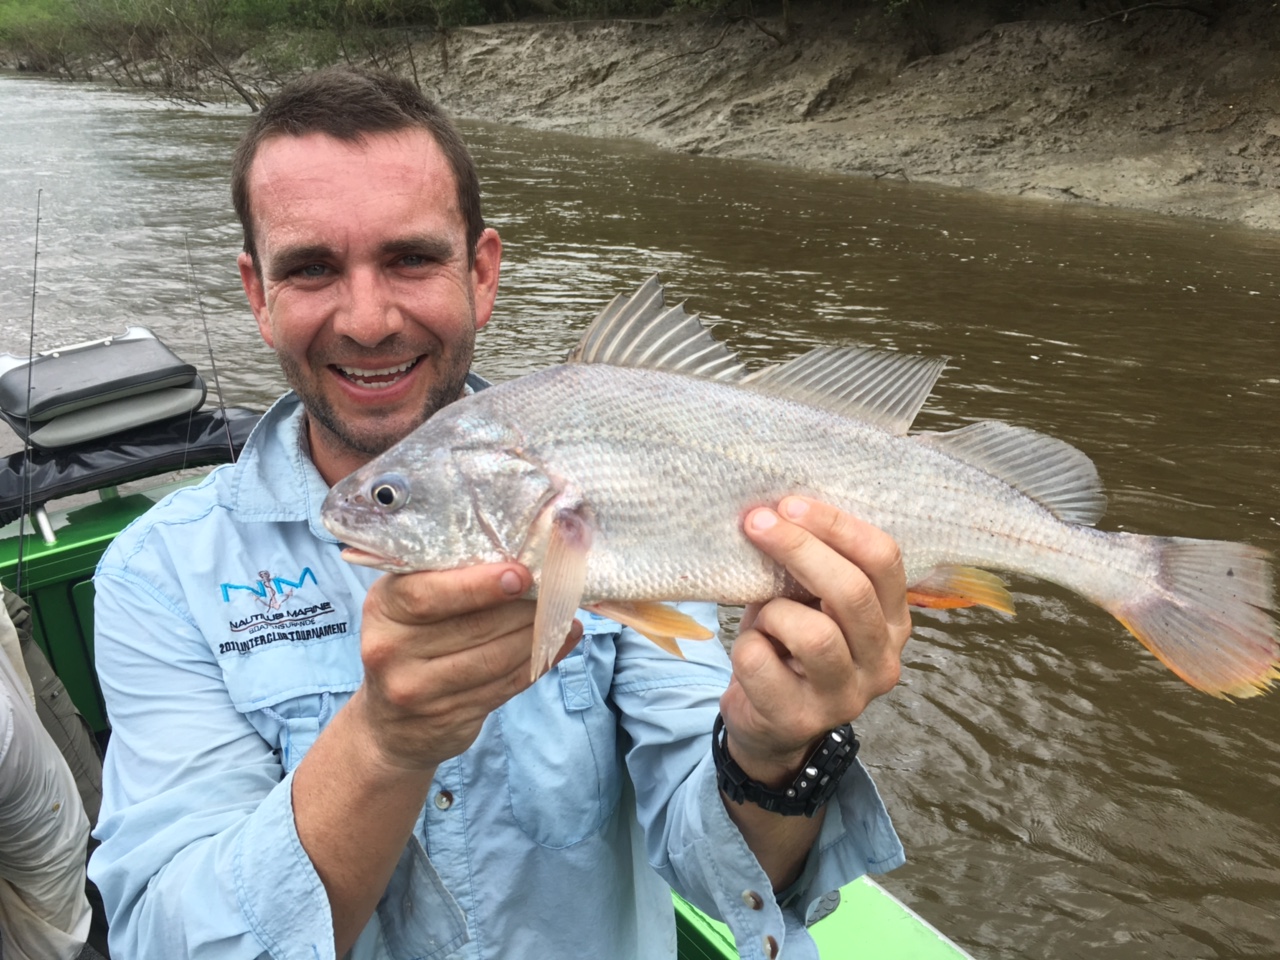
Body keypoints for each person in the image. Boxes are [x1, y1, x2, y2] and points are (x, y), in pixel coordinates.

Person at [88, 66, 910, 960]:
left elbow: (725, 877)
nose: (367, 320)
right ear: (259, 296)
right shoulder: (156, 576)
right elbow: (168, 939)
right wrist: (382, 744)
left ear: (482, 274)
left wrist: (775, 752)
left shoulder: (602, 498)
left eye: (410, 258)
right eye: (313, 268)